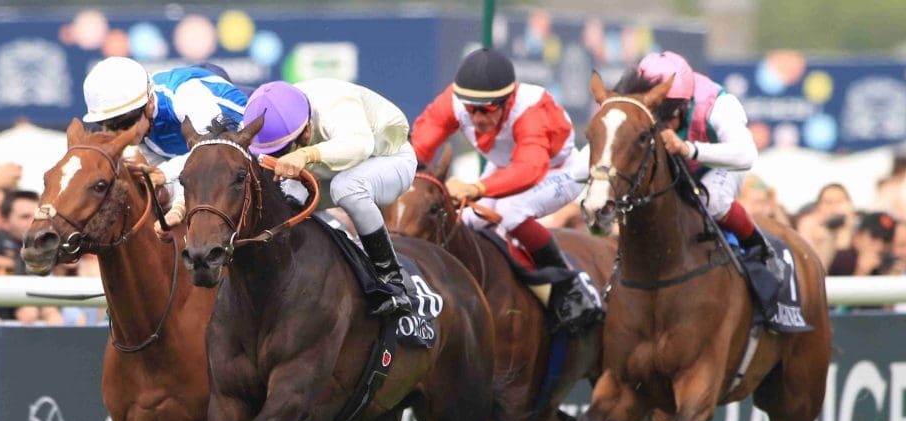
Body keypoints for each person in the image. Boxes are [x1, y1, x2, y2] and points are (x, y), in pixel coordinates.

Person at [410, 47, 602, 335]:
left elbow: (530, 169)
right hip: (505, 167)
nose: (475, 118)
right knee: (468, 222)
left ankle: (569, 287)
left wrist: (476, 187)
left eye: (486, 109)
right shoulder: (454, 102)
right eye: (469, 107)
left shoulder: (530, 111)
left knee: (512, 213)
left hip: (557, 170)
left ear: (508, 100)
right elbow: (418, 148)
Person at [240, 79, 415, 316]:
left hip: (387, 158)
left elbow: (360, 145)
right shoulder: (269, 115)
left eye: (283, 151)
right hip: (326, 169)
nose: (278, 158)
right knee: (286, 200)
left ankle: (393, 283)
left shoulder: (335, 102)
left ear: (307, 131)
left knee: (347, 188)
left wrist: (306, 153)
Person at [635, 50, 784, 284]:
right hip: (678, 169)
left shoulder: (720, 105)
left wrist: (688, 149)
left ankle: (761, 248)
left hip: (719, 165)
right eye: (654, 114)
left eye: (667, 115)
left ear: (685, 103)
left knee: (711, 199)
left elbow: (746, 155)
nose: (663, 125)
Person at [81, 57, 248, 230]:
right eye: (109, 125)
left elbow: (213, 156)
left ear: (150, 104)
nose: (121, 134)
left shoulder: (186, 95)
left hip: (263, 143)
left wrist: (164, 174)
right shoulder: (142, 129)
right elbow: (186, 181)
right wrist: (174, 205)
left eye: (125, 123)